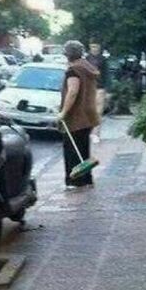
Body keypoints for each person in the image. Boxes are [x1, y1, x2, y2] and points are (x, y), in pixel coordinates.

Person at [57, 40, 99, 189]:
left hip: (75, 115)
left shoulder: (73, 70)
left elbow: (73, 91)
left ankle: (74, 181)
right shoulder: (88, 67)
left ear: (68, 54)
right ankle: (87, 179)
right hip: (88, 113)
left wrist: (63, 112)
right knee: (83, 148)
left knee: (71, 149)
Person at [86, 39, 109, 142]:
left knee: (98, 112)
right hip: (89, 88)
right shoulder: (86, 59)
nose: (95, 49)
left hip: (100, 87)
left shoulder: (103, 60)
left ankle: (96, 134)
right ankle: (89, 132)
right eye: (93, 47)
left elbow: (106, 75)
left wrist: (107, 89)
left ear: (99, 48)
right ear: (90, 47)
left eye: (96, 47)